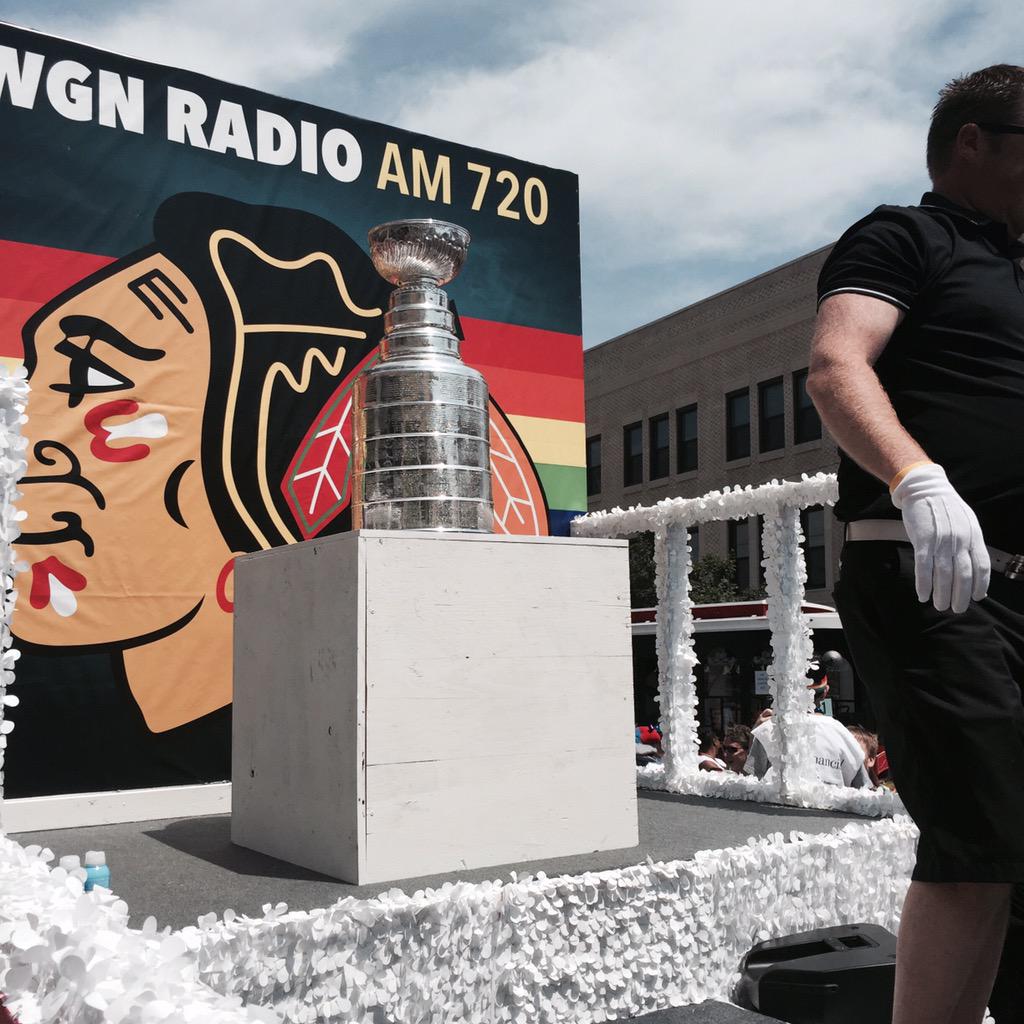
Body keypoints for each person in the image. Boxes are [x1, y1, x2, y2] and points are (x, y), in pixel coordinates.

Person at [807, 65, 1024, 1024]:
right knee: (981, 838)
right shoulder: (906, 234)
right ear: (972, 140)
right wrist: (916, 476)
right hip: (927, 571)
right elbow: (835, 363)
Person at [747, 683, 871, 789]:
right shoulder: (843, 734)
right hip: (831, 815)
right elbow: (863, 791)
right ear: (825, 692)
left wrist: (756, 733)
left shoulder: (769, 728)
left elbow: (749, 785)